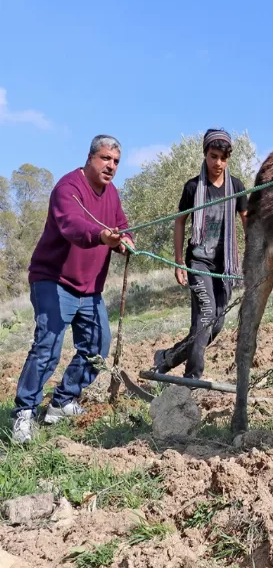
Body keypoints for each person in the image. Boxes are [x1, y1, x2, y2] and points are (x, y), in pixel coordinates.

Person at [11, 135, 133, 443]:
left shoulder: (112, 194)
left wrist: (126, 241)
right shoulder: (68, 189)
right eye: (106, 158)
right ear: (90, 158)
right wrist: (101, 235)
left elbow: (121, 225)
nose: (111, 166)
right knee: (48, 346)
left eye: (116, 161)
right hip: (53, 279)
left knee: (97, 346)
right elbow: (73, 227)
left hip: (89, 288)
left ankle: (61, 401)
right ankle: (24, 413)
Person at [153, 129, 248, 381]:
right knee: (205, 315)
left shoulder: (236, 186)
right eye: (213, 156)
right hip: (198, 263)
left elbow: (249, 222)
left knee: (215, 325)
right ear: (205, 154)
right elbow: (180, 222)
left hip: (224, 266)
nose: (218, 163)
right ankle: (192, 378)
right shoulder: (193, 187)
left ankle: (167, 358)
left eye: (223, 158)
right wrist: (179, 262)